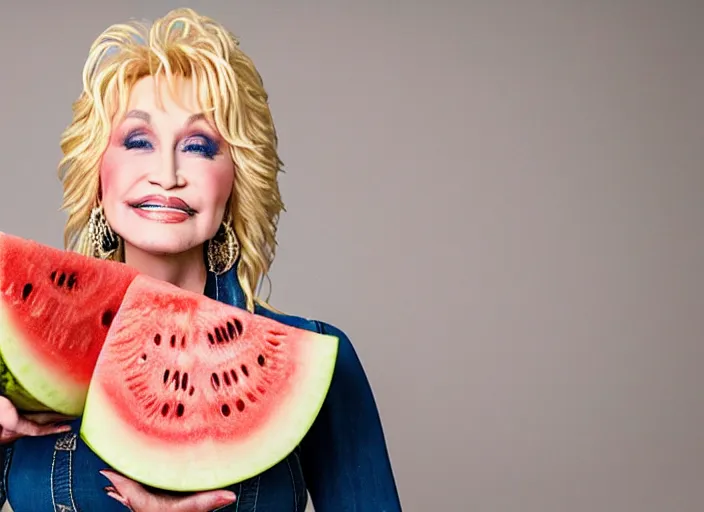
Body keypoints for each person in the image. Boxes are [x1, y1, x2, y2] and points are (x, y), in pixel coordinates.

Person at [0, 8, 401, 512]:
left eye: (198, 146)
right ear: (98, 175)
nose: (167, 174)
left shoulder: (322, 363)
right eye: (139, 141)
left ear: (234, 182)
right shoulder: (9, 356)